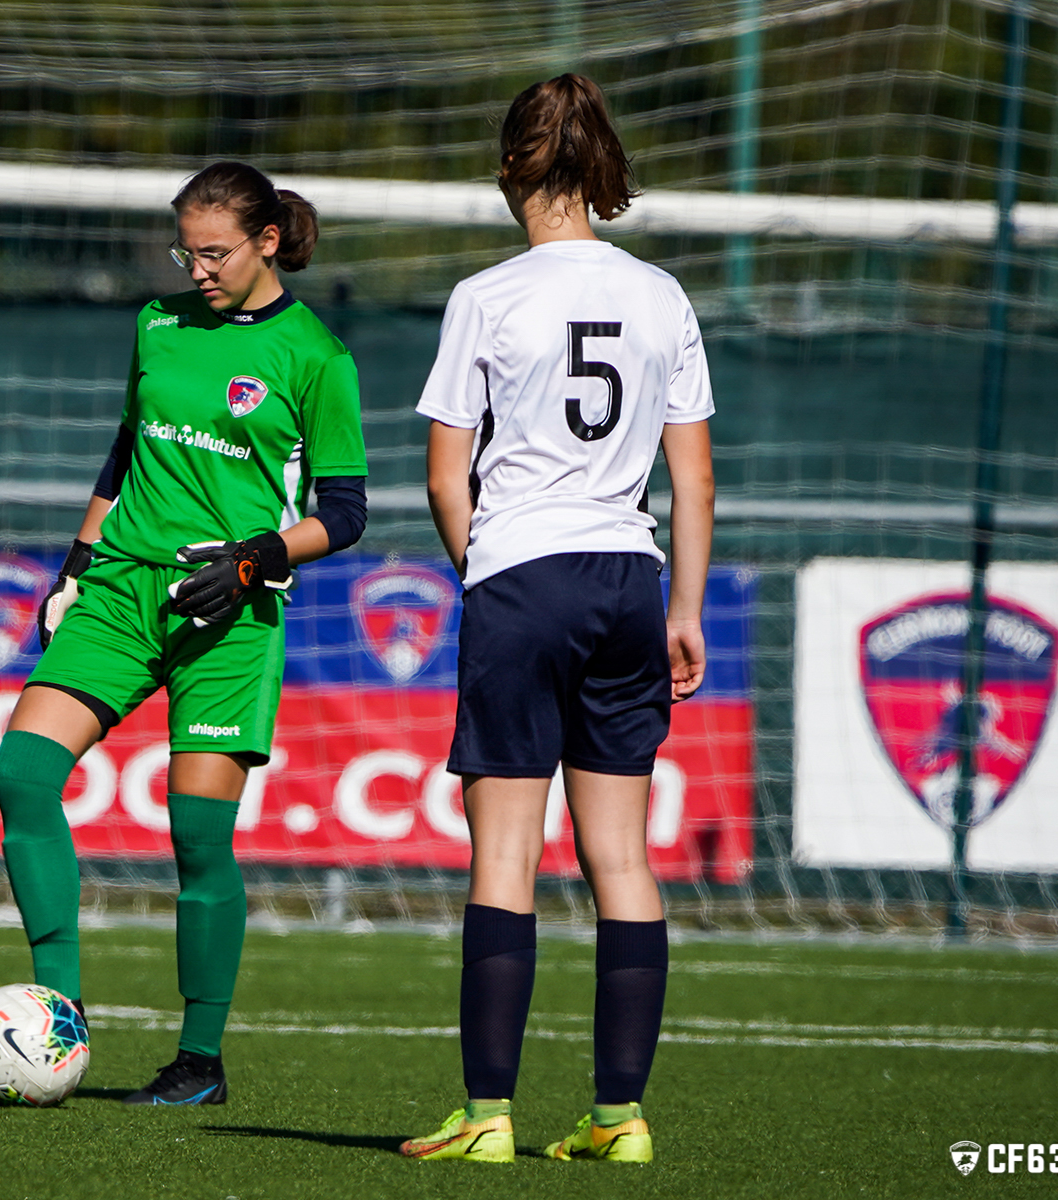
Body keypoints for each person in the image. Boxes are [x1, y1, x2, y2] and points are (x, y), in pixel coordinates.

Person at [0, 161, 369, 1106]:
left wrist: (253, 558)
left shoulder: (317, 357)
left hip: (229, 608)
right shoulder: (154, 325)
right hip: (119, 591)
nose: (195, 269)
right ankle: (54, 1020)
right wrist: (74, 564)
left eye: (213, 252)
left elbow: (347, 513)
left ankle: (200, 1060)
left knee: (196, 833)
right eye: (183, 251)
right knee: (22, 775)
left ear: (267, 243)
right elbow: (125, 449)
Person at [399, 74, 715, 1164]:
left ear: (508, 171)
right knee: (621, 859)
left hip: (522, 579)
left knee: (504, 859)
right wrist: (683, 607)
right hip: (631, 578)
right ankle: (619, 1119)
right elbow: (695, 482)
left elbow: (449, 478)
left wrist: (486, 571)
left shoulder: (486, 296)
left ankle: (488, 1115)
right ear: (603, 169)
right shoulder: (662, 295)